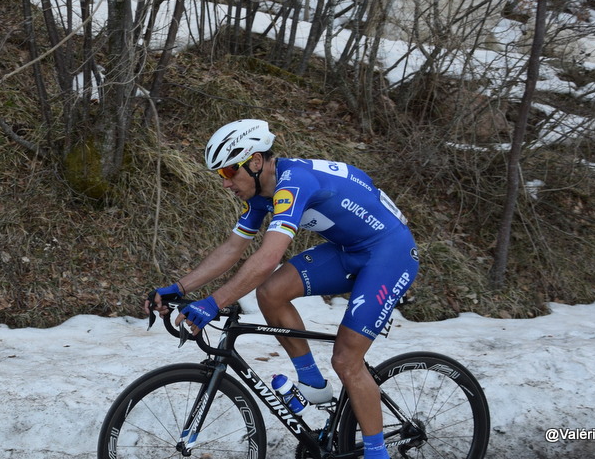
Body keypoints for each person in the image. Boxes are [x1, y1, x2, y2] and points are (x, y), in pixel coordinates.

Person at [145, 119, 419, 459]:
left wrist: (214, 302)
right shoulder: (260, 194)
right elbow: (233, 248)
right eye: (220, 175)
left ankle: (377, 454)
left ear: (256, 162)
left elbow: (269, 255)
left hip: (389, 254)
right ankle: (313, 385)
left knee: (347, 360)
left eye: (230, 171)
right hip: (349, 251)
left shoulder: (293, 183)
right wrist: (178, 287)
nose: (226, 182)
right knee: (271, 292)